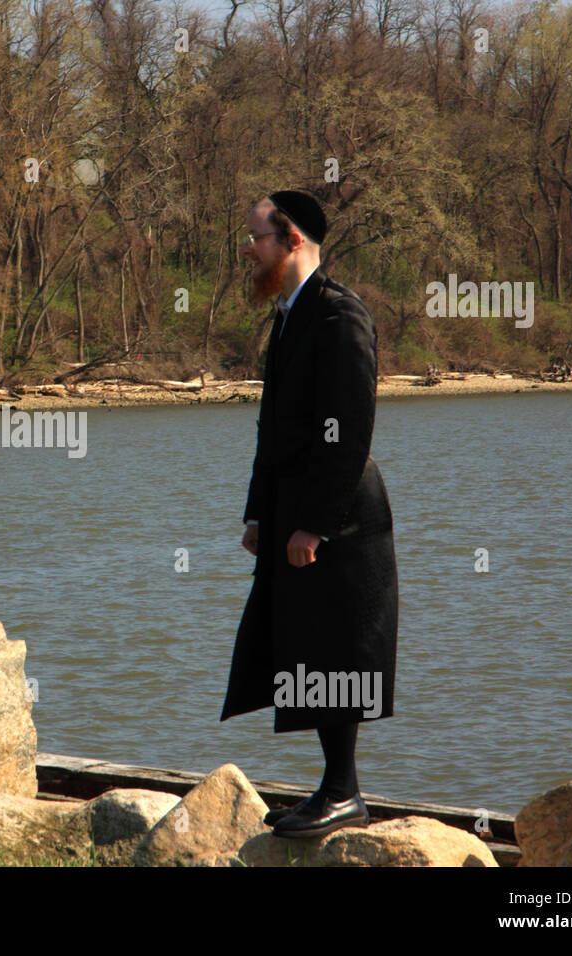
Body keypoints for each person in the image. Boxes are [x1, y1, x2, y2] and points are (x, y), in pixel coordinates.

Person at [220, 191, 399, 839]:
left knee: (335, 647)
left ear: (293, 239)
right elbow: (275, 431)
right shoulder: (290, 314)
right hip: (293, 509)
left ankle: (344, 792)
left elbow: (350, 430)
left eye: (257, 238)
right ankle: (331, 788)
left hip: (341, 514)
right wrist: (259, 515)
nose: (248, 249)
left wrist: (316, 523)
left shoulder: (338, 315)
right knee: (303, 647)